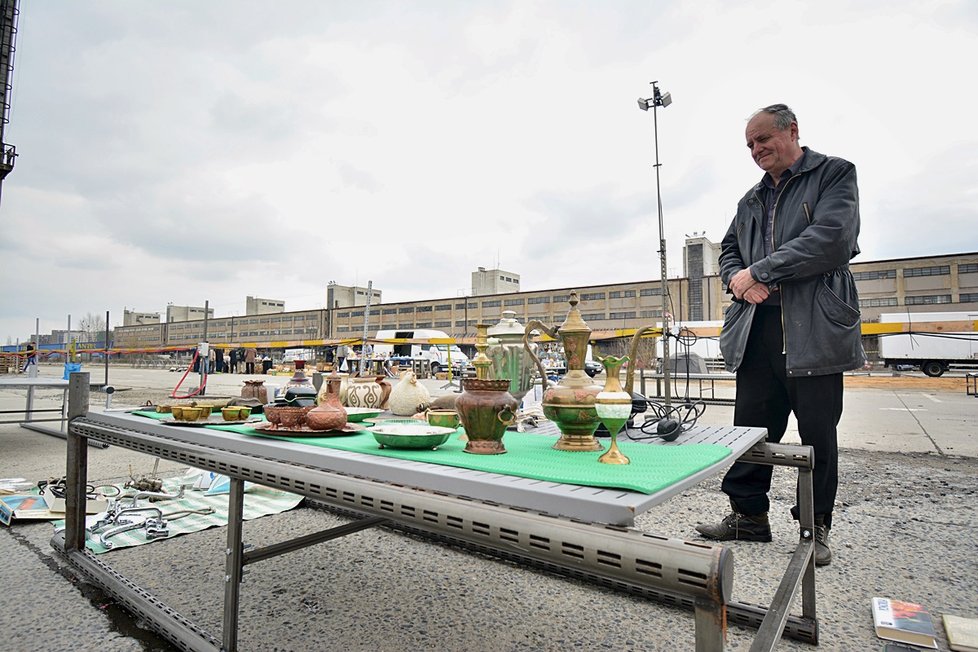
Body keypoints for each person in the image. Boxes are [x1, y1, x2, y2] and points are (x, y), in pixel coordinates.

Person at [695, 104, 865, 567]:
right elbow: (728, 249)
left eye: (762, 139)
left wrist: (761, 271)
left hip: (813, 327)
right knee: (752, 430)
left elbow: (832, 238)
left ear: (792, 130)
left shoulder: (834, 174)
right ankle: (749, 516)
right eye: (749, 144)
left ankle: (815, 527)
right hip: (758, 328)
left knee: (816, 435)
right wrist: (737, 279)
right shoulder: (750, 199)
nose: (756, 150)